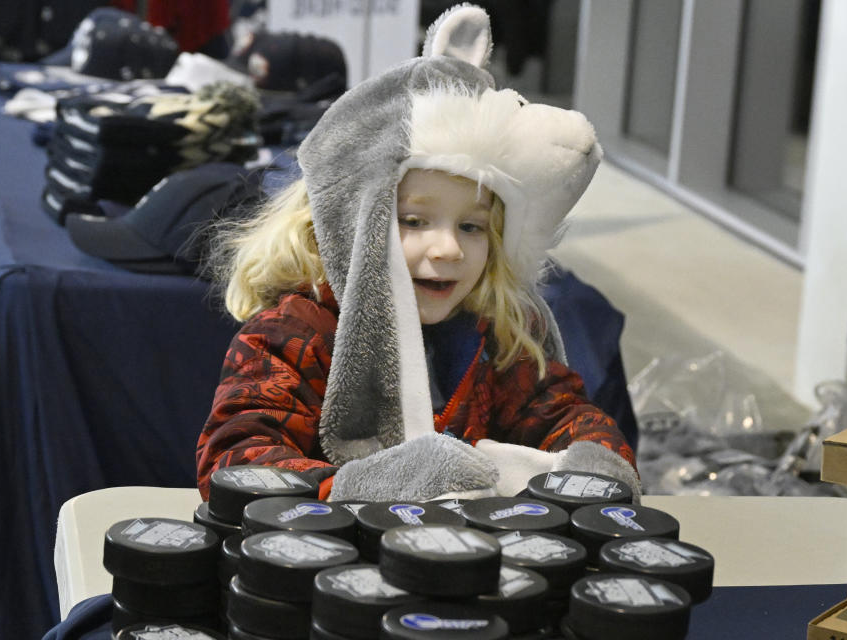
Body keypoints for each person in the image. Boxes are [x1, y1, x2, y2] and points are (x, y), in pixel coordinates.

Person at [196, 3, 638, 503]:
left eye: (471, 226)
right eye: (413, 221)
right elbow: (233, 463)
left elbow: (562, 413)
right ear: (350, 221)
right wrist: (375, 486)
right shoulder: (291, 335)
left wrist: (595, 458)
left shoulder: (499, 331)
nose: (447, 248)